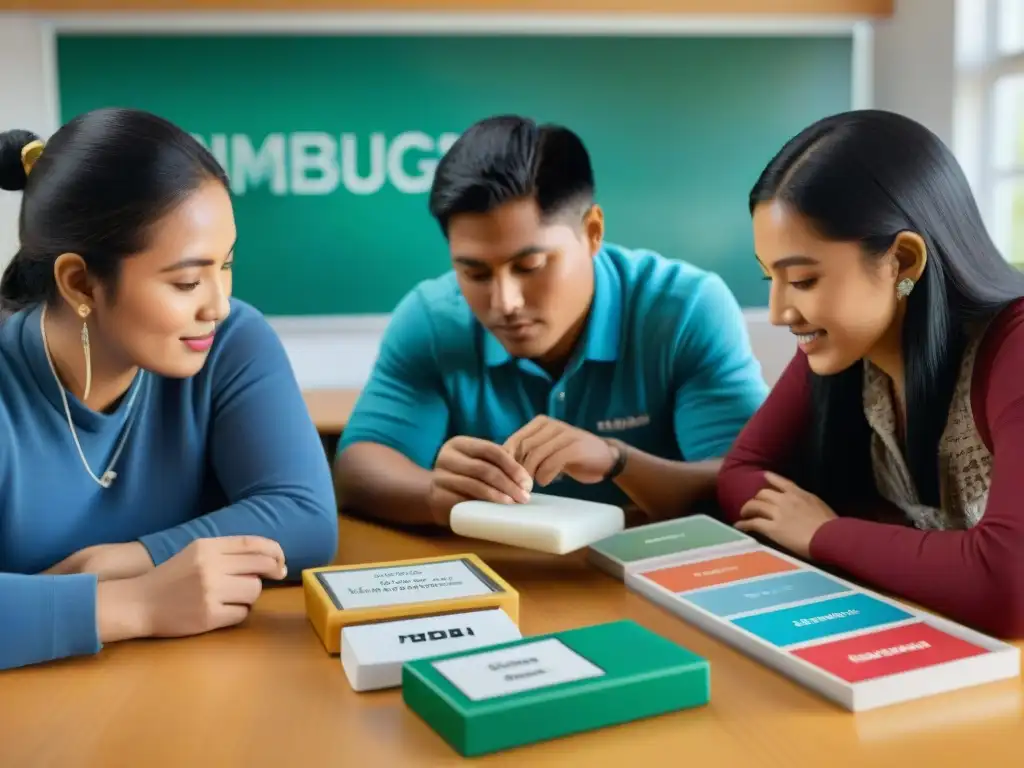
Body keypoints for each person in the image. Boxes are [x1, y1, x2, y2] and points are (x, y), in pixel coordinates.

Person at [0, 108, 338, 671]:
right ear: (79, 282)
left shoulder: (230, 341)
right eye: (186, 281)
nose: (218, 304)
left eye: (225, 266)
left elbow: (304, 516)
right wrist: (132, 603)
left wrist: (129, 559)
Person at [335, 114, 768, 528]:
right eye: (474, 273)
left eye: (531, 265)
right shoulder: (431, 317)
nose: (505, 302)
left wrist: (617, 461)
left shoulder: (686, 309)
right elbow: (358, 467)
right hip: (506, 579)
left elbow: (746, 487)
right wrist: (433, 493)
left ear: (593, 232)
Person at [718, 109, 1024, 637]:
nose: (777, 311)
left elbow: (1009, 587)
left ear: (902, 261)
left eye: (804, 279)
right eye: (770, 277)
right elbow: (742, 476)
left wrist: (827, 533)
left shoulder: (1014, 348)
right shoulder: (843, 346)